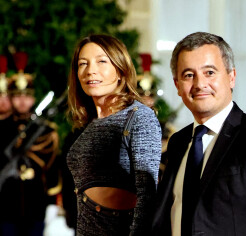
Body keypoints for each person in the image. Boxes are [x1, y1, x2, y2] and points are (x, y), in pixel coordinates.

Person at [152, 32, 246, 236]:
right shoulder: (178, 142)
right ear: (177, 85)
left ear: (231, 77)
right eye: (188, 75)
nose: (200, 84)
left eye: (209, 72)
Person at [66, 34, 162, 236]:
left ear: (120, 70)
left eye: (102, 61)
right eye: (83, 64)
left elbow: (147, 194)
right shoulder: (88, 123)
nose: (91, 70)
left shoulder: (139, 117)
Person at [0, 51, 61, 236]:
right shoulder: (1, 128)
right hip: (5, 207)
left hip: (36, 204)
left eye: (26, 96)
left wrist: (51, 204)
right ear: (10, 98)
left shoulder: (45, 130)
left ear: (33, 98)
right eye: (17, 96)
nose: (22, 101)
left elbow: (52, 169)